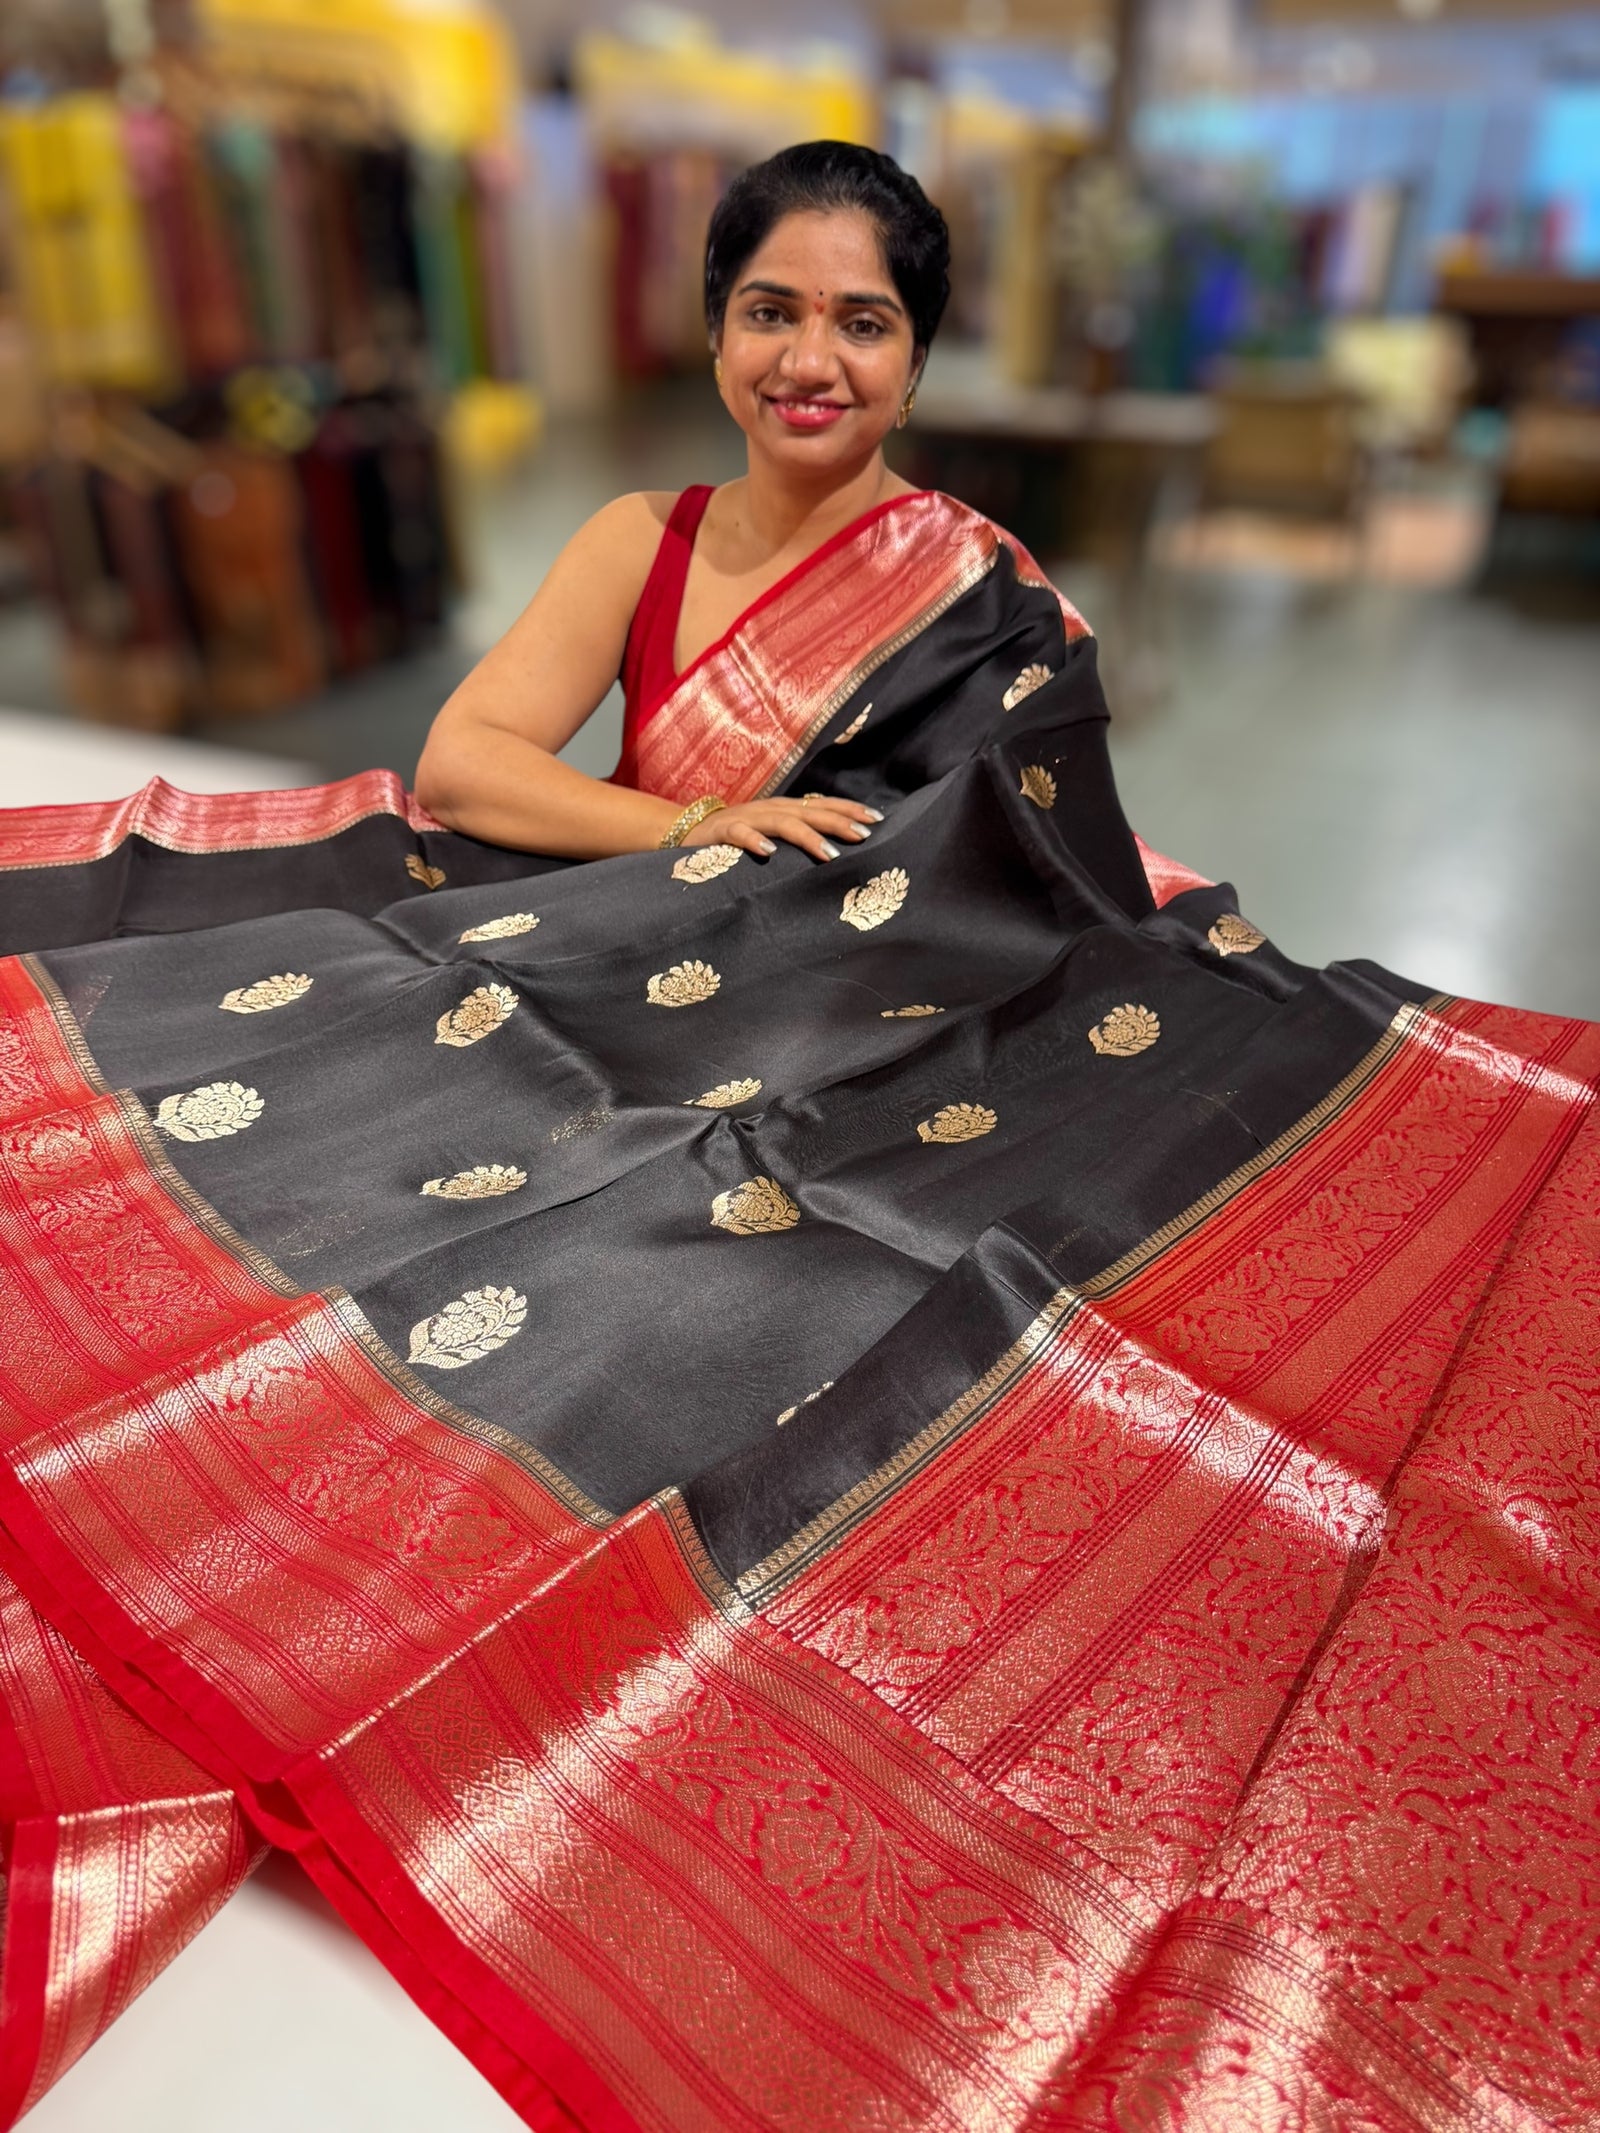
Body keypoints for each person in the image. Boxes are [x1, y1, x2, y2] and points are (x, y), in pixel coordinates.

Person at [0, 141, 1596, 2133]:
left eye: (860, 318)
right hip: (615, 980)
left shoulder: (983, 596)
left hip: (853, 1039)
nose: (808, 355)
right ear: (717, 323)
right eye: (773, 307)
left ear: (914, 360)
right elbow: (467, 762)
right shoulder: (636, 541)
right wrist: (693, 832)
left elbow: (1045, 895)